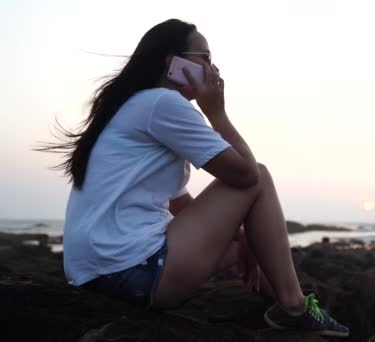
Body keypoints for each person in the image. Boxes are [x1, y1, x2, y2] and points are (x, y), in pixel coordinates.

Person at [37, 19, 349, 337]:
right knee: (261, 175)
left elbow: (180, 203)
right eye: (205, 58)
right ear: (172, 62)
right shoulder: (162, 102)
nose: (213, 69)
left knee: (248, 240)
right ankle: (294, 307)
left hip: (98, 274)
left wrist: (247, 243)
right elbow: (245, 174)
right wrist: (217, 112)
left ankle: (282, 301)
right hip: (133, 272)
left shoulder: (133, 106)